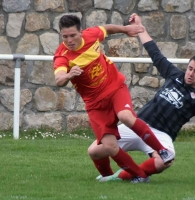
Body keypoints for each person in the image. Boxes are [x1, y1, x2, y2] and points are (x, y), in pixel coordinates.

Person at [88, 13, 195, 182]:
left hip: (161, 134)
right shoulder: (174, 75)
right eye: (190, 68)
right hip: (138, 125)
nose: (190, 74)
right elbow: (154, 52)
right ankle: (106, 175)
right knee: (94, 151)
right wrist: (140, 26)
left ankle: (121, 177)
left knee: (167, 159)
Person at [53, 14, 174, 183]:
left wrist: (126, 30)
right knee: (106, 147)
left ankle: (162, 151)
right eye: (65, 36)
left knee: (125, 116)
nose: (69, 40)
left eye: (72, 35)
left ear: (81, 32)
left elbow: (107, 29)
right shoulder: (62, 56)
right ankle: (135, 175)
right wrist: (68, 75)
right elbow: (58, 79)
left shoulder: (91, 35)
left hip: (115, 87)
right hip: (95, 104)